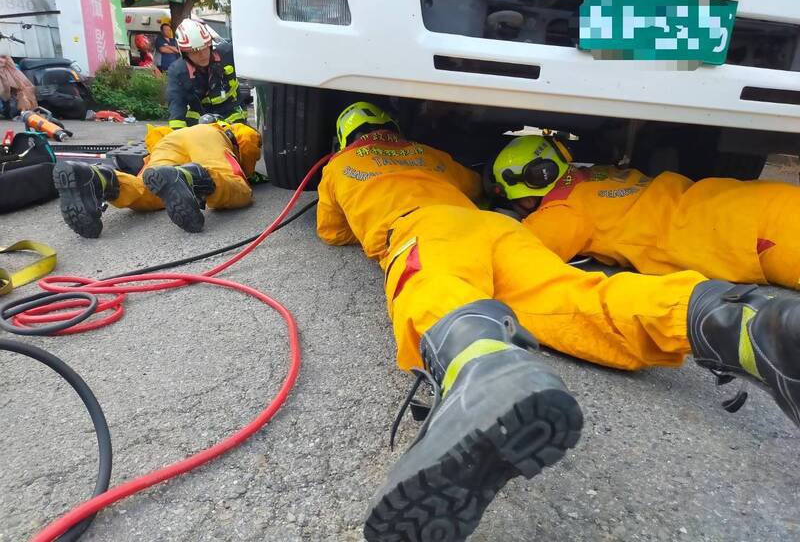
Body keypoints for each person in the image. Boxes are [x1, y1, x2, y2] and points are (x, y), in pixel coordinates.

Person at [317, 102, 800, 542]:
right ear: (393, 129)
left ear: (345, 137)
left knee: (435, 284)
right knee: (578, 297)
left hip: (427, 226)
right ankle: (738, 321)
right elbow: (475, 186)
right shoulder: (434, 157)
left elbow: (332, 231)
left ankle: (479, 371)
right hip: (500, 231)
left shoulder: (339, 166)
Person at [488, 133, 800, 289]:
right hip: (762, 199)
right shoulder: (595, 174)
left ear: (525, 195)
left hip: (752, 236)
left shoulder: (563, 212)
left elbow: (514, 254)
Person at [52, 117, 261, 237]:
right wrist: (247, 171)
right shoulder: (221, 128)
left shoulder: (172, 132)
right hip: (206, 139)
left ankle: (99, 177)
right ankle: (194, 178)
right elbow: (250, 141)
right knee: (236, 188)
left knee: (147, 189)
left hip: (167, 141)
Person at [166, 18, 247, 130]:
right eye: (195, 51)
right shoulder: (178, 71)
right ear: (185, 54)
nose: (202, 55)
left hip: (233, 118)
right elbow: (176, 105)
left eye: (204, 48)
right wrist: (179, 136)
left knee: (247, 140)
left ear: (210, 45)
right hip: (199, 125)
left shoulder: (228, 54)